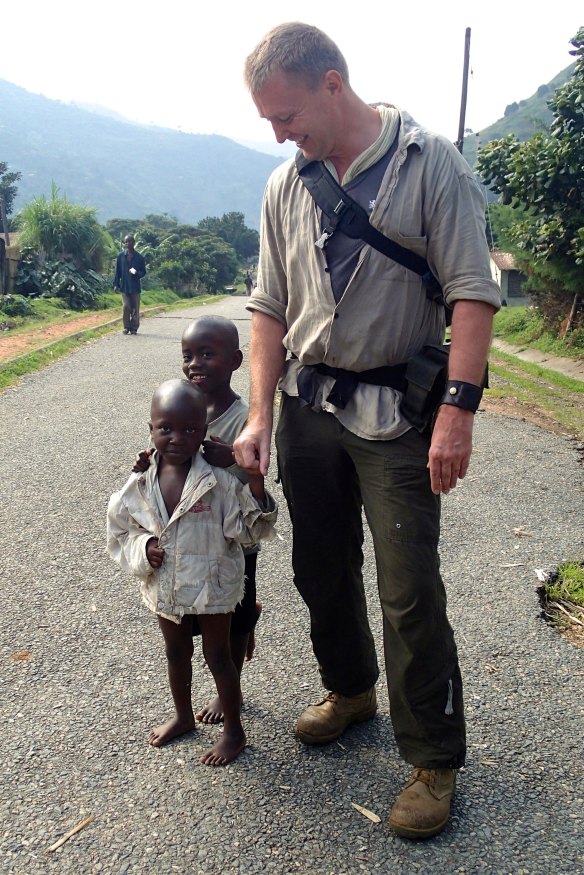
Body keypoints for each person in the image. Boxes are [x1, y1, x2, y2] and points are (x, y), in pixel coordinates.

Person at [234, 23, 501, 837]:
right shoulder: (288, 184)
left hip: (400, 414)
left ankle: (432, 758)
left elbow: (472, 293)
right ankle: (350, 690)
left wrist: (457, 410)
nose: (279, 134)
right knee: (320, 566)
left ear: (331, 84)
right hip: (310, 409)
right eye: (269, 123)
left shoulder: (432, 165)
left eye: (285, 115)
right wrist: (257, 412)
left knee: (408, 584)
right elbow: (269, 307)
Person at [107, 379, 277, 765]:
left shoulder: (216, 483)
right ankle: (184, 716)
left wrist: (252, 478)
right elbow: (119, 529)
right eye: (165, 428)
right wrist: (142, 547)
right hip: (165, 588)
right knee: (175, 651)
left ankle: (234, 731)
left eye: (189, 429)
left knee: (218, 656)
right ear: (150, 428)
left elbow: (252, 528)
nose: (177, 438)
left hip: (214, 588)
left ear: (204, 433)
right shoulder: (140, 482)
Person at [133, 315, 264, 725]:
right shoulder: (181, 404)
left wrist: (235, 462)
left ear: (236, 361)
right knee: (190, 617)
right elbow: (167, 451)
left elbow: (256, 477)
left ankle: (230, 694)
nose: (196, 364)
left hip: (233, 540)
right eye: (188, 355)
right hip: (189, 537)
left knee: (233, 615)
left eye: (208, 354)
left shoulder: (243, 419)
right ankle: (188, 707)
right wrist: (148, 462)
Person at [113, 235, 146, 335]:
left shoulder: (139, 257)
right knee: (126, 306)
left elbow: (143, 272)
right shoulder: (120, 256)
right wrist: (116, 284)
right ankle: (126, 327)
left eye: (129, 242)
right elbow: (117, 271)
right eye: (126, 242)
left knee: (135, 308)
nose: (127, 244)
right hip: (124, 286)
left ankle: (134, 328)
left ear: (134, 243)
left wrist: (136, 273)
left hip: (135, 286)